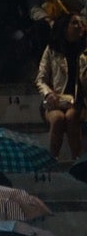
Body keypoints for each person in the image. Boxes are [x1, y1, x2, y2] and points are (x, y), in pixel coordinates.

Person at [38, 14, 87, 161]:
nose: (79, 26)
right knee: (58, 118)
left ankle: (77, 160)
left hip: (78, 101)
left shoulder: (84, 50)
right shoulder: (52, 50)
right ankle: (52, 160)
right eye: (74, 23)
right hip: (55, 101)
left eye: (81, 23)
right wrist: (48, 94)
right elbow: (41, 79)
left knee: (72, 116)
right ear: (65, 28)